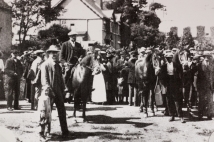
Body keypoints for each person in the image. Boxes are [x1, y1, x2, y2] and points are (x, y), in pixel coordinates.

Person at [41, 45, 69, 136]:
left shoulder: (58, 65)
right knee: (47, 113)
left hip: (58, 92)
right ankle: (46, 131)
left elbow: (61, 79)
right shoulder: (45, 64)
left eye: (56, 53)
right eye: (52, 52)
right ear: (49, 53)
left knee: (62, 111)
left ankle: (65, 131)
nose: (54, 54)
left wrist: (64, 89)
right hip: (49, 92)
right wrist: (49, 90)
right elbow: (44, 80)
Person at [161, 52, 185, 123]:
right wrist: (164, 84)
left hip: (176, 83)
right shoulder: (164, 66)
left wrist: (181, 85)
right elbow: (162, 77)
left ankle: (180, 116)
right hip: (168, 84)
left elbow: (181, 76)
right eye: (167, 58)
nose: (169, 59)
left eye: (170, 58)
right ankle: (172, 115)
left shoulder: (177, 65)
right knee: (169, 100)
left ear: (172, 58)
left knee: (177, 100)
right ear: (166, 59)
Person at [197, 53, 213, 120]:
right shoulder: (199, 65)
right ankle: (200, 114)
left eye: (208, 57)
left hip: (210, 86)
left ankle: (209, 115)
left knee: (210, 101)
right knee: (201, 100)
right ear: (203, 57)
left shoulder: (211, 65)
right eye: (206, 57)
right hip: (202, 86)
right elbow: (192, 72)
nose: (207, 58)